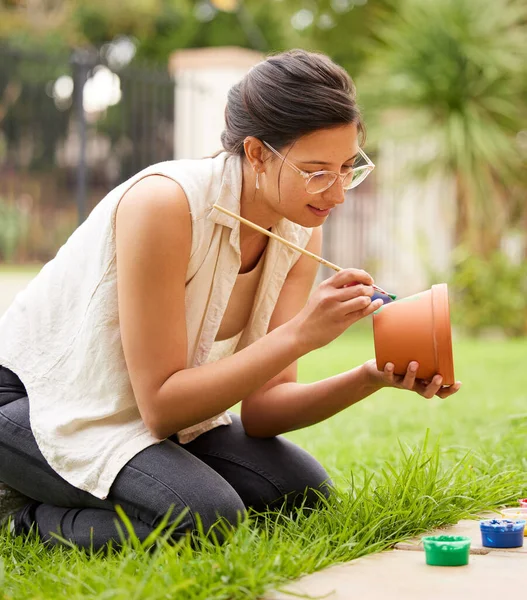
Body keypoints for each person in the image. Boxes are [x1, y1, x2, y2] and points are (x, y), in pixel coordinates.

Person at [0, 49, 461, 552]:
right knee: (209, 519)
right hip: (38, 403)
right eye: (316, 171)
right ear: (258, 152)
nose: (337, 194)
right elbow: (161, 408)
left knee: (301, 497)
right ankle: (23, 519)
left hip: (136, 412)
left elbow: (264, 409)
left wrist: (371, 375)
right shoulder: (166, 203)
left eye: (348, 167)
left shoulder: (299, 227)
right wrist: (302, 333)